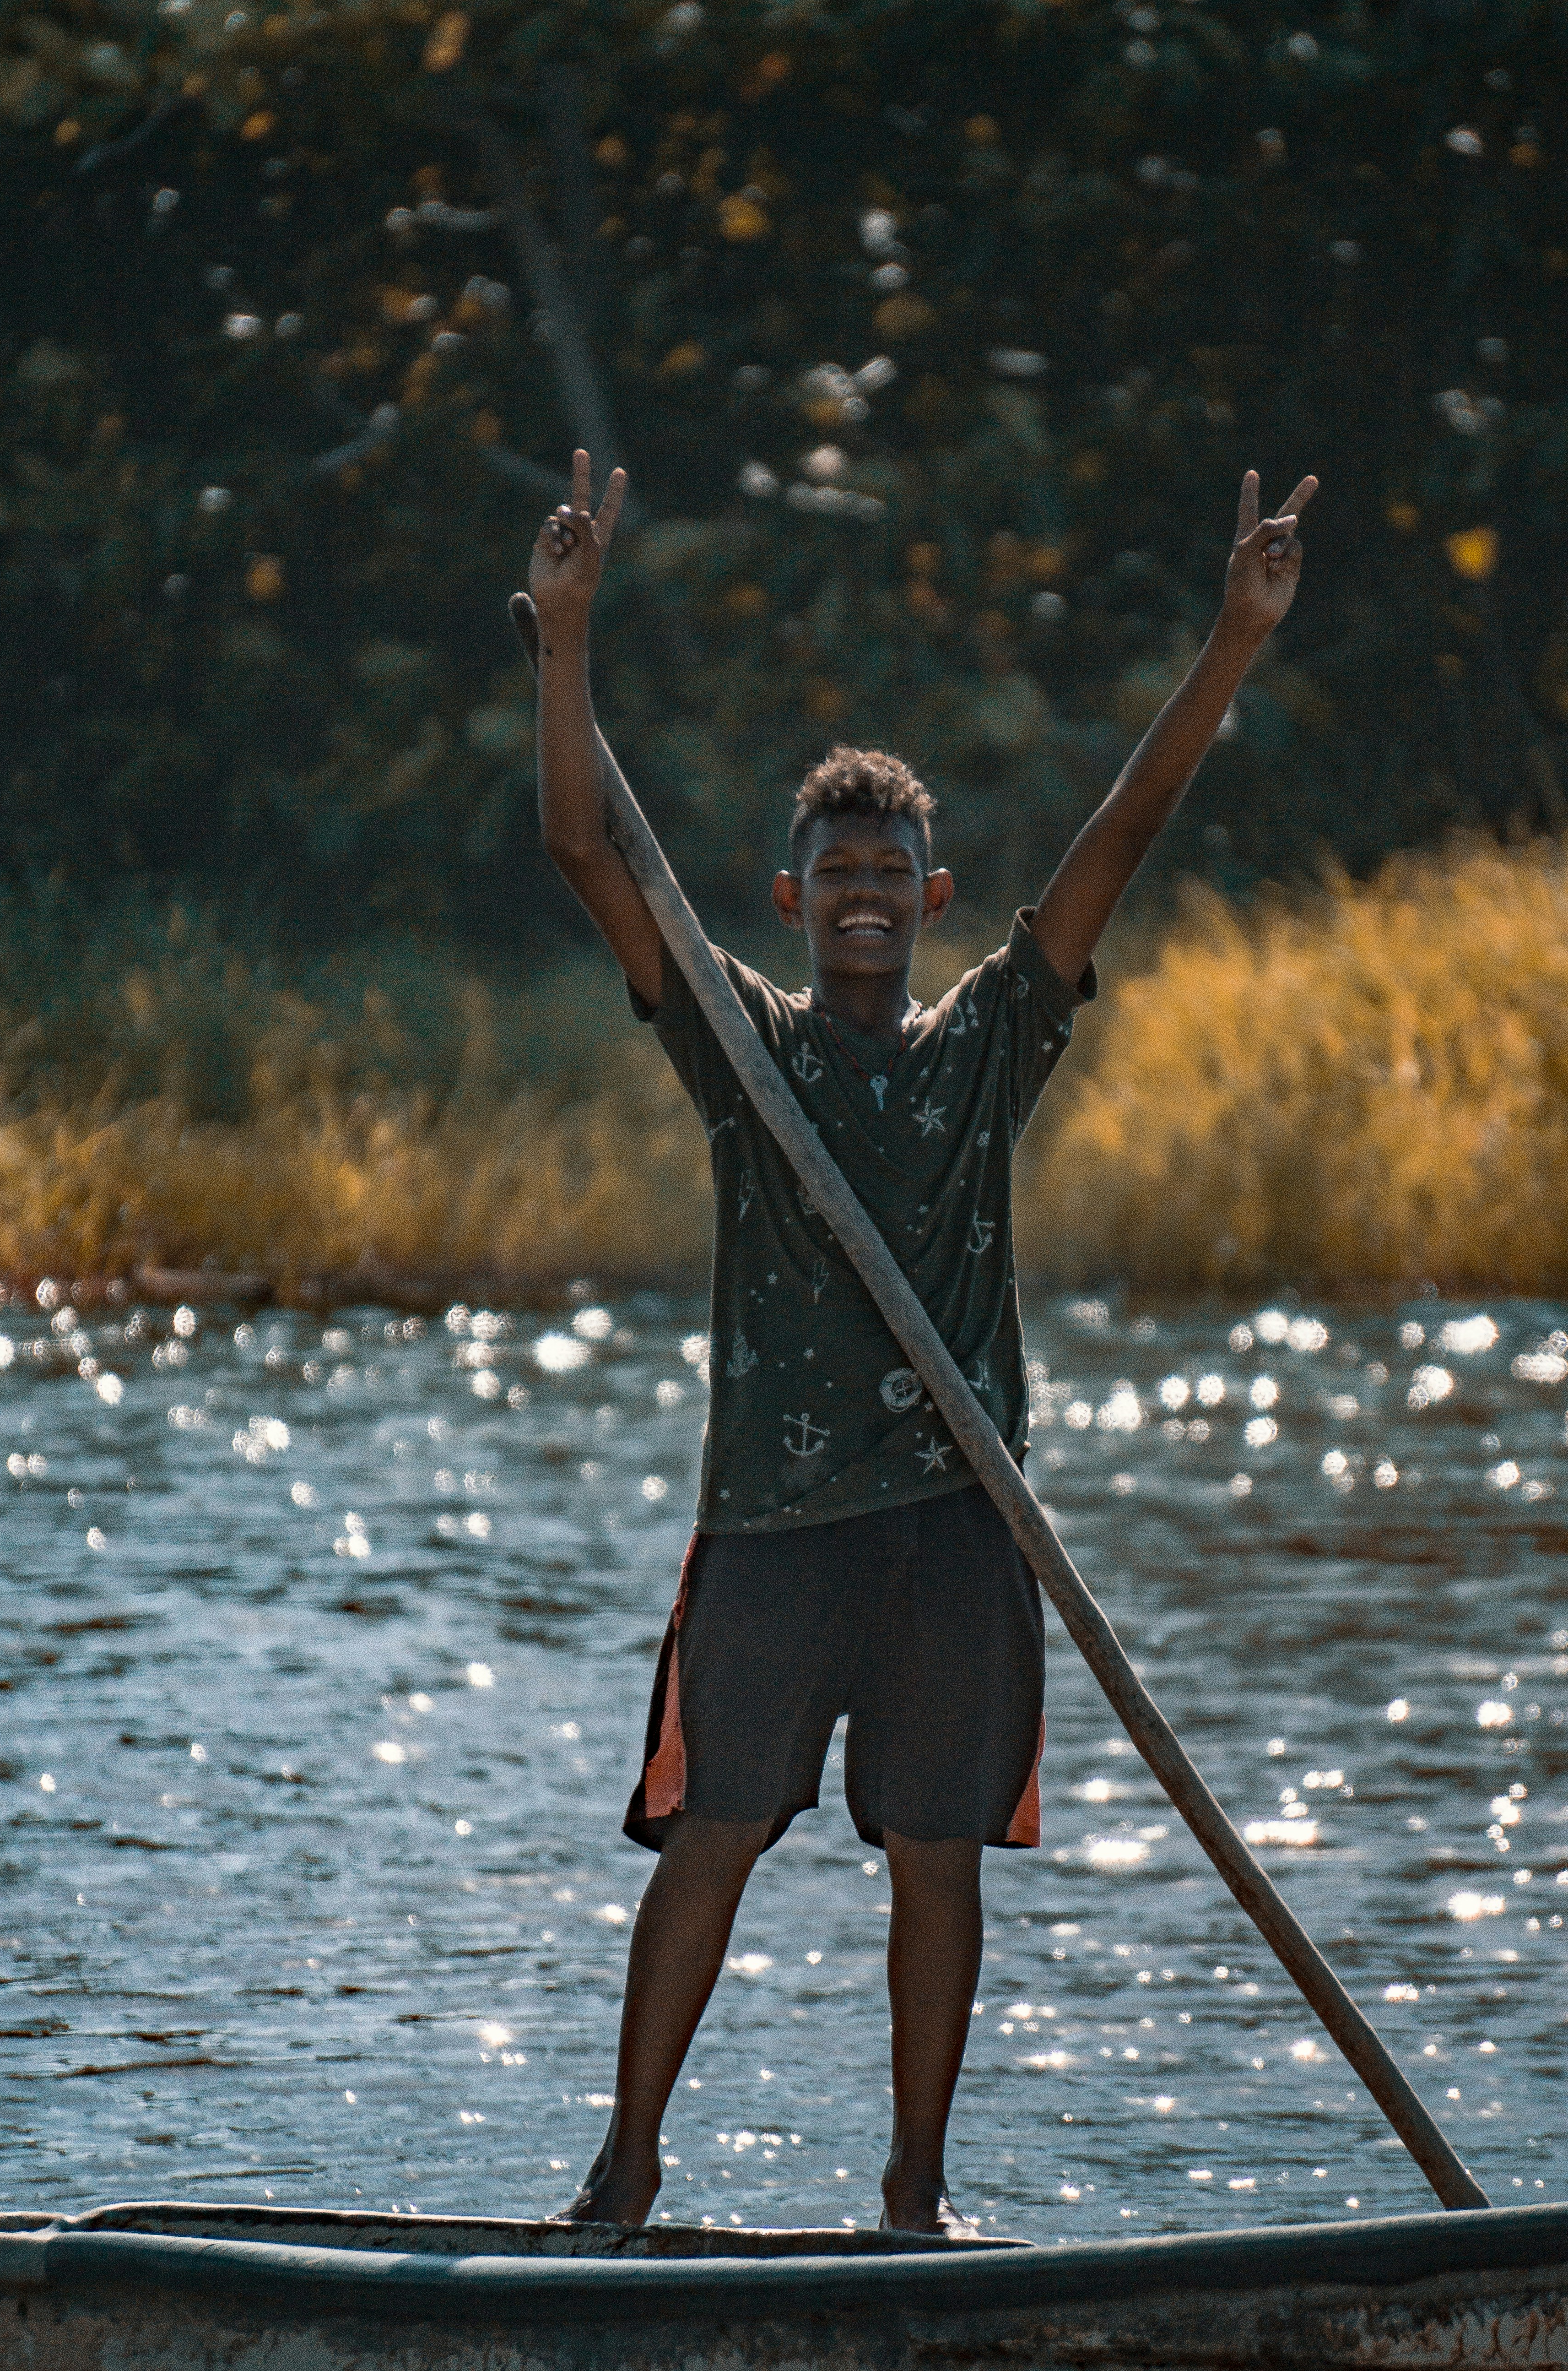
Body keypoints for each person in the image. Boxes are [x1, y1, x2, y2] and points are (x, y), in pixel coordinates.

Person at [530, 448, 1315, 2235]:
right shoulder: (744, 1052)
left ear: (933, 897)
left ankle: (912, 2197)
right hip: (777, 1512)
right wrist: (564, 636)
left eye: (896, 868)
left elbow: (1120, 830)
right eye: (837, 871)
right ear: (792, 900)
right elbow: (583, 843)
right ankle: (620, 2171)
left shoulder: (982, 1051)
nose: (868, 891)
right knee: (714, 1829)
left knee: (938, 1855)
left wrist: (1231, 637)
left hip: (960, 1521)